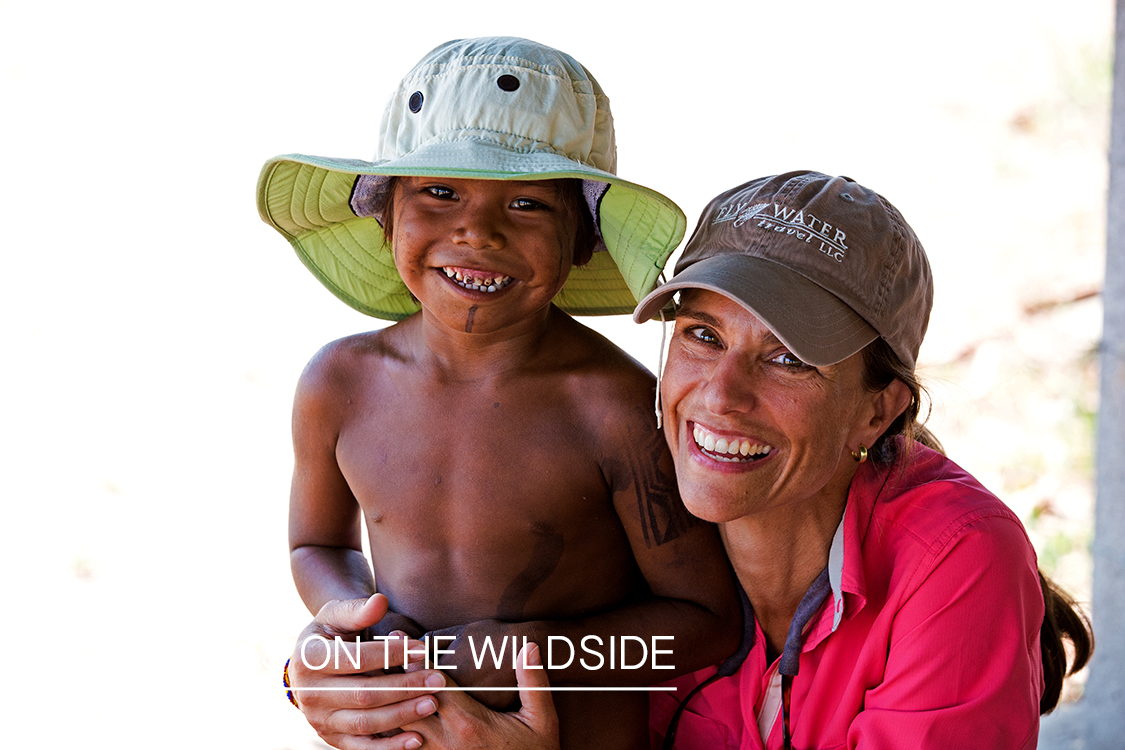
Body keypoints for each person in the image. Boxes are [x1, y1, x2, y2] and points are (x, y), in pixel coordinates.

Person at [257, 37, 741, 750]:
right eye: (440, 193)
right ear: (385, 214)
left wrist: (523, 655)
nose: (477, 230)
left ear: (583, 238)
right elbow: (314, 543)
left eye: (525, 204)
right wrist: (356, 616)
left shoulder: (612, 410)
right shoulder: (339, 383)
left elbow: (705, 623)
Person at [631, 171, 1094, 749]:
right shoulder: (623, 504)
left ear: (877, 411)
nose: (720, 395)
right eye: (703, 335)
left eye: (788, 358)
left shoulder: (957, 557)